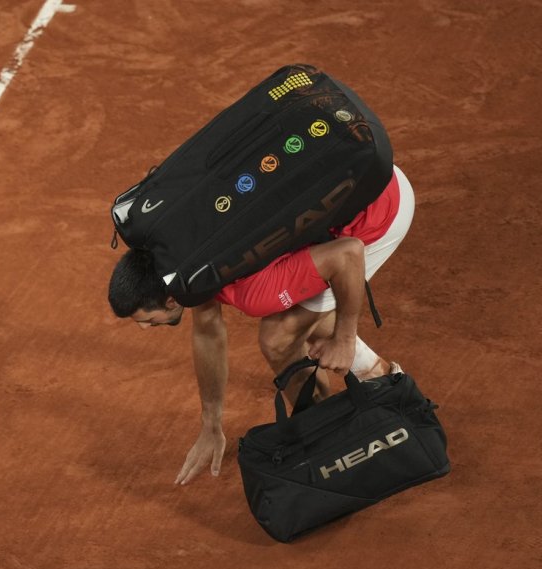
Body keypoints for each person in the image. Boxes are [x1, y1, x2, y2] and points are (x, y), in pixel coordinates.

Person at [108, 166, 415, 486]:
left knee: (279, 337)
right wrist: (211, 424)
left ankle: (333, 438)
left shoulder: (250, 292)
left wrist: (344, 339)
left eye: (146, 320)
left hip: (380, 211)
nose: (144, 329)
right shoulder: (180, 250)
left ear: (171, 301)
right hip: (355, 170)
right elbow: (207, 330)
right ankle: (374, 377)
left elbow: (347, 254)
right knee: (301, 304)